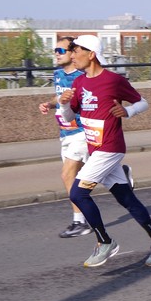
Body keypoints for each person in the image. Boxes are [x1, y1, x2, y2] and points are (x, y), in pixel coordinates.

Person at [57, 35, 151, 268]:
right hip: (94, 149)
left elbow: (142, 102)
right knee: (126, 199)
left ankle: (105, 242)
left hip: (110, 148)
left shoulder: (113, 80)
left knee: (77, 194)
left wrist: (128, 112)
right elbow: (70, 117)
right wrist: (64, 103)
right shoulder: (79, 82)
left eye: (76, 50)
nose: (72, 55)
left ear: (91, 54)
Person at [37, 38, 92, 238]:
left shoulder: (82, 76)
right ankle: (117, 172)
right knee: (82, 177)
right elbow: (58, 96)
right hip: (65, 133)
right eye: (55, 50)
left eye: (60, 50)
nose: (56, 54)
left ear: (72, 53)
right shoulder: (58, 74)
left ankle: (80, 222)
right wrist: (50, 104)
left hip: (82, 132)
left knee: (67, 175)